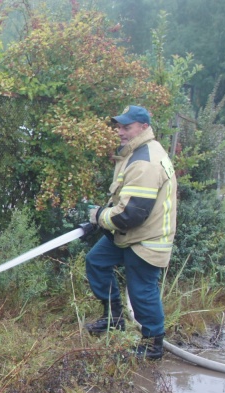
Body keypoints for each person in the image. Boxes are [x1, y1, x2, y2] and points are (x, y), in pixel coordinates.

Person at [84, 105, 178, 361]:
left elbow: (131, 214)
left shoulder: (146, 161)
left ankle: (153, 344)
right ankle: (113, 319)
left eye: (126, 127)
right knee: (96, 261)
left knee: (142, 290)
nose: (120, 131)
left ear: (144, 127)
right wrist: (104, 215)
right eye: (119, 127)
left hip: (147, 238)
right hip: (130, 233)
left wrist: (100, 217)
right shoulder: (136, 153)